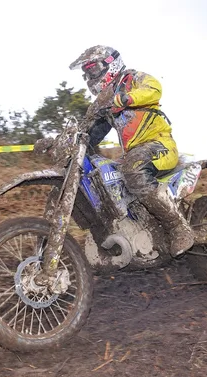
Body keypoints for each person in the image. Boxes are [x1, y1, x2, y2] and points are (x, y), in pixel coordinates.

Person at [69, 45, 194, 257]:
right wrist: (66, 141)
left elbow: (154, 88)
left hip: (160, 145)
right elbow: (90, 132)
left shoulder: (131, 79)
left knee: (133, 167)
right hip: (135, 153)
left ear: (109, 64)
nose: (89, 76)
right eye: (86, 73)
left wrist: (125, 99)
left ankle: (177, 226)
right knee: (104, 171)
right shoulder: (104, 103)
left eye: (92, 69)